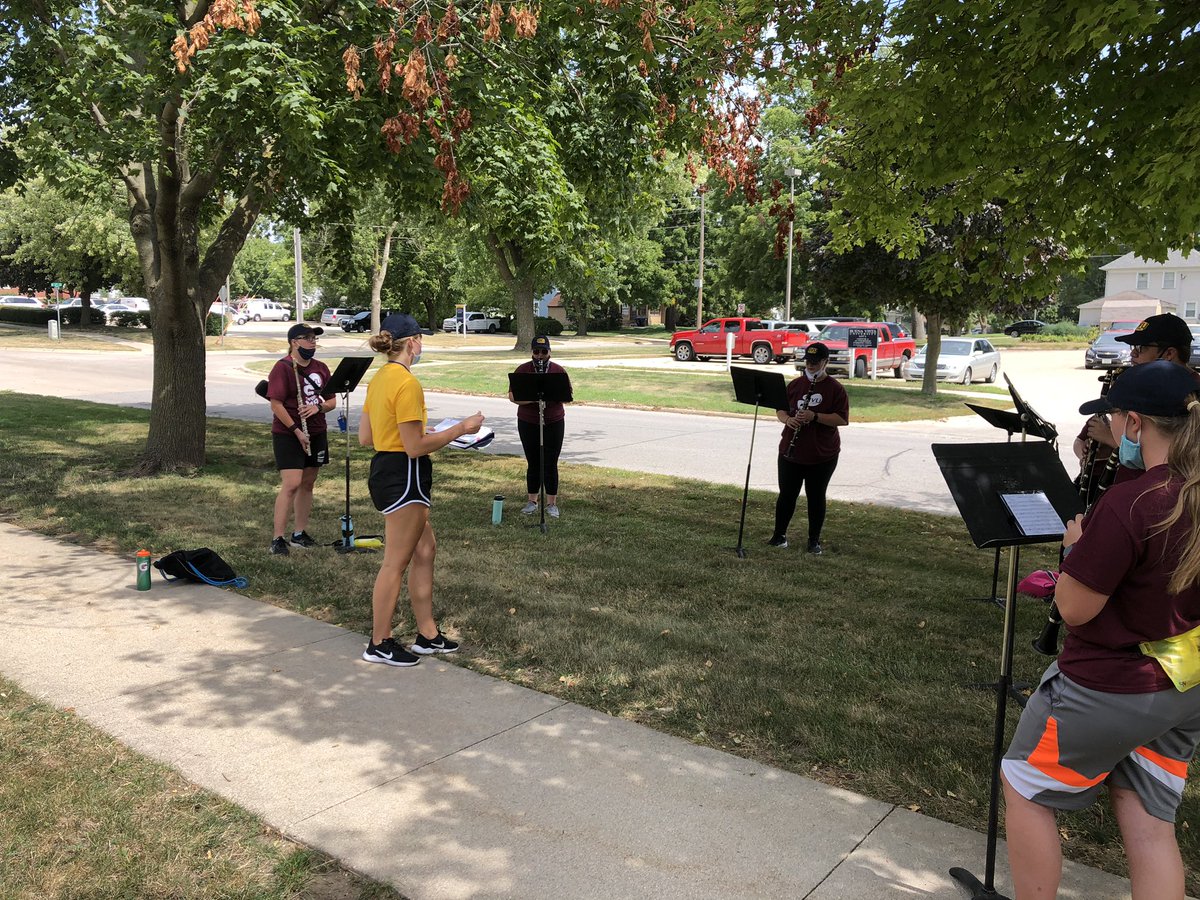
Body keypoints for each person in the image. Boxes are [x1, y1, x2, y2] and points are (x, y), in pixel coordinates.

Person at [1001, 361, 1200, 899]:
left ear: (1134, 423)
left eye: (1111, 417)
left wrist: (1074, 552)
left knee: (1024, 787)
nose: (1107, 427)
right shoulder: (1184, 491)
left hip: (1110, 686)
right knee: (1150, 823)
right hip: (1182, 688)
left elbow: (1074, 609)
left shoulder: (1131, 504)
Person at [359, 312, 485, 667]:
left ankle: (427, 635)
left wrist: (414, 433)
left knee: (425, 549)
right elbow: (415, 446)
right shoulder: (407, 383)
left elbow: (366, 437)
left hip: (386, 469)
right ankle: (379, 642)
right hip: (406, 474)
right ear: (411, 343)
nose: (422, 344)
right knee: (395, 563)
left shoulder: (379, 378)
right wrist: (462, 428)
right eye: (421, 339)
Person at [1073, 313, 1195, 493]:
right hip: (1124, 491)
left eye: (1141, 347)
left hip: (1153, 499)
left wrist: (1112, 439)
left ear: (1169, 353)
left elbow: (1176, 459)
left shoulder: (1191, 395)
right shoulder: (1137, 382)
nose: (1133, 353)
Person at [768, 341, 849, 554]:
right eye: (808, 361)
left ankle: (814, 540)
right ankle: (779, 536)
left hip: (822, 454)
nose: (811, 366)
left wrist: (815, 416)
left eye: (815, 362)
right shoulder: (795, 385)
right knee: (787, 494)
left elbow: (841, 419)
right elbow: (781, 410)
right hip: (791, 450)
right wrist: (787, 420)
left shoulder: (835, 389)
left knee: (816, 496)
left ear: (825, 362)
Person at [266, 323, 335, 555]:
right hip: (289, 433)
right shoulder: (283, 368)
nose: (313, 342)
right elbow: (276, 404)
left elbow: (331, 401)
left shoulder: (321, 368)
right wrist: (296, 430)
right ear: (294, 342)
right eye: (307, 338)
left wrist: (319, 408)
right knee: (292, 483)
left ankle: (299, 533)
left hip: (316, 431)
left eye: (315, 338)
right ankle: (277, 538)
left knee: (308, 483)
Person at [508, 335, 572, 518]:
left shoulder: (558, 371)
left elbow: (567, 395)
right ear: (532, 352)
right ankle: (532, 501)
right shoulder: (522, 370)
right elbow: (513, 397)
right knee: (533, 461)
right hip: (528, 422)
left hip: (553, 421)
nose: (540, 355)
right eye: (536, 351)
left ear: (550, 352)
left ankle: (552, 504)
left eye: (544, 351)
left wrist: (550, 395)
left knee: (551, 462)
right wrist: (535, 398)